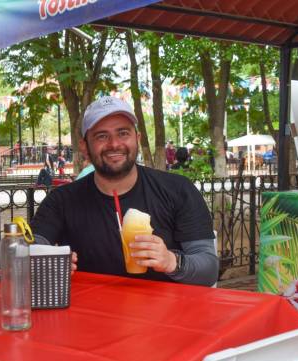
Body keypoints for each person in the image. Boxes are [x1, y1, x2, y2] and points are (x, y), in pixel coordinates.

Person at [31, 96, 217, 286]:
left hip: (166, 312)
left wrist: (172, 262)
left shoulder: (178, 190)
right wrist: (44, 261)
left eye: (123, 133)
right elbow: (28, 249)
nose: (114, 144)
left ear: (137, 139)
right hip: (90, 312)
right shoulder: (62, 200)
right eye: (101, 136)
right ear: (84, 146)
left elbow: (209, 269)